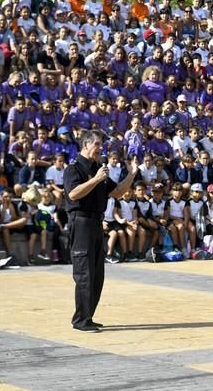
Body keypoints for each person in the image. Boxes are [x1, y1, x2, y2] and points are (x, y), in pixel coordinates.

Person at [64, 130, 139, 333]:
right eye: (97, 144)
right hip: (80, 224)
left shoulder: (100, 169)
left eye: (101, 145)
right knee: (84, 274)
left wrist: (132, 174)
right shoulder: (74, 169)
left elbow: (117, 193)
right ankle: (80, 320)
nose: (100, 148)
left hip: (97, 224)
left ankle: (88, 317)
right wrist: (96, 180)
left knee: (97, 274)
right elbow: (73, 194)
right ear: (86, 145)